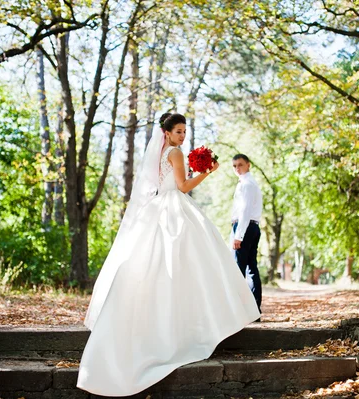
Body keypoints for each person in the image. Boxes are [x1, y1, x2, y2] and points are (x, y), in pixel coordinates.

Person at [76, 113, 260, 397]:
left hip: (158, 206)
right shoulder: (174, 152)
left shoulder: (162, 152)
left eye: (185, 131)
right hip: (174, 208)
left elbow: (171, 182)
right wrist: (207, 171)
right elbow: (183, 187)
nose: (182, 135)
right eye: (178, 131)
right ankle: (194, 325)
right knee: (191, 263)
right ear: (167, 133)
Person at [231, 154, 263, 315]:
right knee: (251, 268)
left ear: (248, 165)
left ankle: (242, 312)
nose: (237, 168)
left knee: (240, 269)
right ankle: (253, 311)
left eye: (240, 165)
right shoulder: (246, 183)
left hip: (245, 227)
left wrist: (238, 235)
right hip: (251, 227)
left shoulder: (247, 184)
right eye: (235, 166)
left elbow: (245, 211)